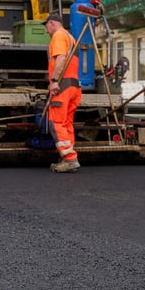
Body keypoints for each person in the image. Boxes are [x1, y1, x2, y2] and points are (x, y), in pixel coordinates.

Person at [44, 12, 81, 172]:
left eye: (46, 26)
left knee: (56, 122)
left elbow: (60, 59)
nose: (46, 30)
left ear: (52, 23)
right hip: (74, 87)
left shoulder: (58, 35)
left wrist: (53, 81)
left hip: (62, 86)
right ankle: (68, 156)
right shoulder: (70, 37)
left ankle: (69, 159)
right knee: (66, 123)